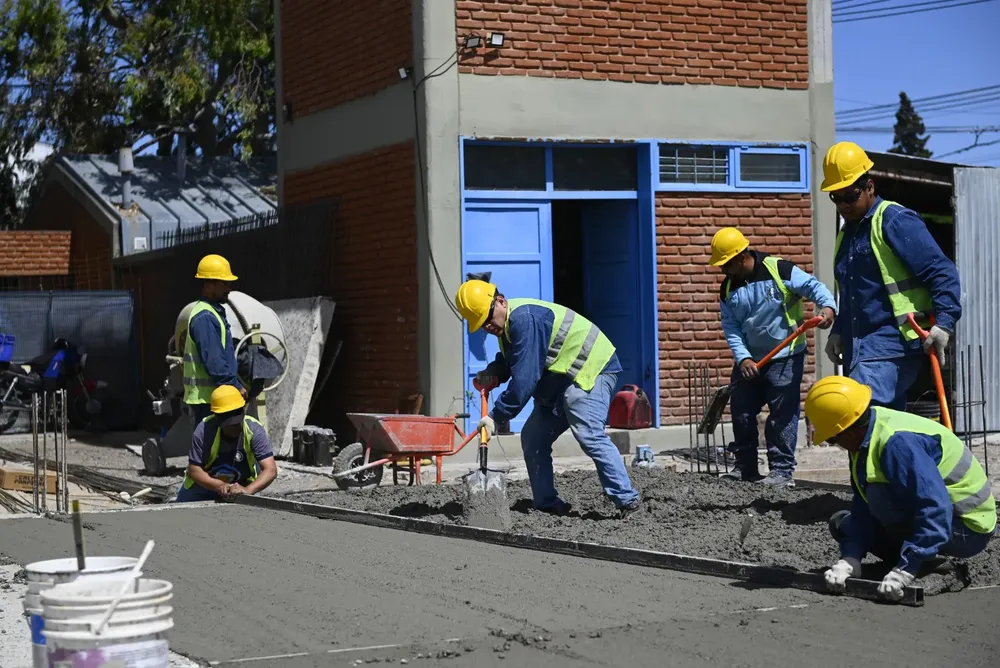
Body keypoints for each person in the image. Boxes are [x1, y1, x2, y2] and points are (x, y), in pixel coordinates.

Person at [453, 279, 641, 517]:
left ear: (500, 301)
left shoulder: (525, 319)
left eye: (487, 318)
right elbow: (515, 359)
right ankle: (546, 504)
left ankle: (626, 499)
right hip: (561, 379)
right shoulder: (508, 327)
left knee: (588, 433)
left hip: (591, 368)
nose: (487, 326)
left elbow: (525, 379)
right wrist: (494, 372)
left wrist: (496, 417)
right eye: (481, 324)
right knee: (533, 437)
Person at [804, 375, 996, 602]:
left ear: (849, 430)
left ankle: (927, 563)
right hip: (944, 517)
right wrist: (850, 558)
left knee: (880, 495)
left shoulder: (897, 443)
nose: (834, 445)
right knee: (843, 523)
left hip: (966, 527)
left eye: (834, 439)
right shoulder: (864, 440)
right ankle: (920, 558)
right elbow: (862, 506)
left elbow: (934, 506)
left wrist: (907, 567)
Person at [820, 141, 961, 409]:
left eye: (850, 196)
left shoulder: (894, 220)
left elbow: (941, 271)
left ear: (869, 187)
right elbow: (853, 293)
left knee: (861, 416)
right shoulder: (847, 234)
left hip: (891, 342)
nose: (843, 205)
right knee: (883, 428)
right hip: (859, 347)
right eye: (836, 198)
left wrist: (944, 323)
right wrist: (838, 331)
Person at [710, 227, 837, 487]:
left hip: (786, 356)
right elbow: (731, 327)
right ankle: (745, 468)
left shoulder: (779, 270)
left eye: (726, 264)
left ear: (741, 257)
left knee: (781, 414)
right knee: (742, 413)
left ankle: (781, 472)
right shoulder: (727, 289)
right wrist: (743, 358)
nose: (723, 271)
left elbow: (814, 287)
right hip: (751, 362)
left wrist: (827, 307)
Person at [175, 385, 277, 502]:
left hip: (242, 485)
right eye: (229, 425)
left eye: (236, 423)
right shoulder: (204, 430)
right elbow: (193, 470)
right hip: (205, 485)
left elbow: (270, 470)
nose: (234, 428)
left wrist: (248, 490)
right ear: (218, 419)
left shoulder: (254, 429)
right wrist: (220, 486)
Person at [183, 254, 246, 426]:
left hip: (214, 398)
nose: (229, 289)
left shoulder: (212, 312)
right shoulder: (205, 316)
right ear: (209, 285)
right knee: (212, 450)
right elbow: (214, 360)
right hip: (210, 401)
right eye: (224, 284)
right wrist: (234, 385)